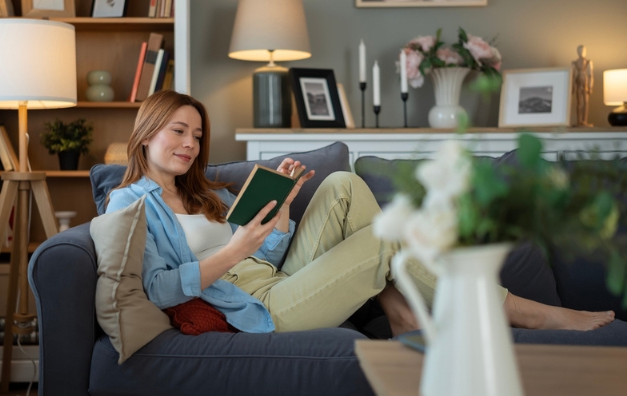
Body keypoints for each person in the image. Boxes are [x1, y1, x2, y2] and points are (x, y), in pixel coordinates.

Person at [105, 90, 615, 337]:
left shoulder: (199, 195)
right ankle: (528, 313)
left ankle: (398, 309)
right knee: (386, 237)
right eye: (178, 131)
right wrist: (236, 248)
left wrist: (279, 211)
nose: (191, 144)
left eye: (196, 135)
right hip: (259, 308)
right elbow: (159, 289)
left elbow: (273, 254)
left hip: (272, 275)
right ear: (147, 130)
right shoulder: (128, 203)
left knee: (343, 183)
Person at [572, 44, 594, 127]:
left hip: (585, 82)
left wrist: (590, 86)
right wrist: (572, 87)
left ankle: (585, 120)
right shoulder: (575, 62)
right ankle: (579, 120)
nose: (581, 52)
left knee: (586, 102)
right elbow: (573, 76)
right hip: (578, 82)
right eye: (579, 50)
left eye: (582, 50)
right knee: (579, 103)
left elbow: (590, 75)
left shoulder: (588, 62)